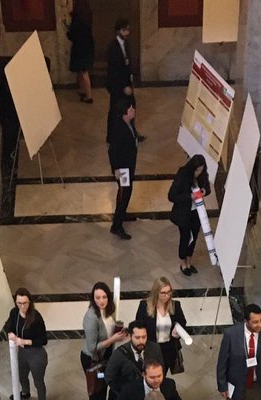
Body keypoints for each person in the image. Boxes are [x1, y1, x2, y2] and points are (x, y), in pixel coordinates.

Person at [82, 281, 127, 400]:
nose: (101, 301)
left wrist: (118, 335)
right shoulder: (90, 317)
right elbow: (92, 346)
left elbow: (109, 331)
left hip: (106, 355)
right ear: (92, 298)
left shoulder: (108, 310)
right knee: (94, 390)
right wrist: (113, 339)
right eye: (98, 297)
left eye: (104, 297)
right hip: (92, 358)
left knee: (104, 384)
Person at [3, 288, 48, 400]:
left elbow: (43, 340)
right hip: (22, 353)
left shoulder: (36, 317)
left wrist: (24, 341)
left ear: (30, 302)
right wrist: (10, 332)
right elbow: (8, 325)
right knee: (21, 375)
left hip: (36, 355)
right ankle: (25, 392)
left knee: (38, 381)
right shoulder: (14, 313)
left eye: (25, 303)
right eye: (19, 303)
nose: (22, 306)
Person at [168, 154, 211, 276]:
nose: (198, 173)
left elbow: (207, 188)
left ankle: (189, 262)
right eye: (197, 170)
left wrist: (204, 191)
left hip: (197, 212)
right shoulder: (182, 174)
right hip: (184, 213)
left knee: (194, 238)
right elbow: (172, 196)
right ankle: (183, 263)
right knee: (185, 237)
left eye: (201, 170)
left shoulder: (203, 175)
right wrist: (189, 197)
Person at [135, 277, 188, 375]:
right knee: (151, 374)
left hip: (168, 348)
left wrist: (177, 331)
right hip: (151, 348)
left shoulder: (175, 305)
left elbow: (182, 323)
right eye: (163, 293)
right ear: (156, 293)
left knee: (162, 375)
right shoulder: (144, 306)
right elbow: (138, 326)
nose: (167, 295)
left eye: (169, 292)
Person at [105, 18, 141, 142]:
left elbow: (127, 65)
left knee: (131, 107)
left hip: (126, 83)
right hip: (117, 86)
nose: (127, 33)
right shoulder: (113, 48)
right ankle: (111, 136)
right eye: (124, 30)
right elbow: (114, 71)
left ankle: (132, 133)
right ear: (118, 31)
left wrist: (130, 81)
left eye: (128, 30)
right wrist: (123, 87)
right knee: (115, 110)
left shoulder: (125, 44)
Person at [103, 320, 160, 399]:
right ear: (130, 336)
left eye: (144, 337)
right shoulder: (119, 354)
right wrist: (125, 393)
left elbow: (161, 370)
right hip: (125, 396)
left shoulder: (155, 349)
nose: (141, 341)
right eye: (137, 337)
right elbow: (109, 377)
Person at [108, 100, 138, 241]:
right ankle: (117, 225)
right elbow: (112, 151)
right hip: (123, 169)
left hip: (129, 166)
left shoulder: (128, 124)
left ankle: (122, 212)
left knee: (127, 191)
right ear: (125, 114)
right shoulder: (119, 130)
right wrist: (116, 169)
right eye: (131, 110)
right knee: (124, 193)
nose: (134, 111)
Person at [66, 0, 95, 103]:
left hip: (79, 46)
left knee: (82, 70)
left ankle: (88, 95)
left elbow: (73, 34)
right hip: (88, 45)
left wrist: (68, 30)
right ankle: (83, 90)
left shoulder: (77, 17)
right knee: (82, 69)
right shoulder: (87, 15)